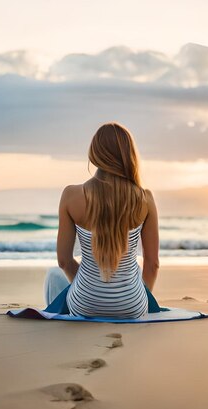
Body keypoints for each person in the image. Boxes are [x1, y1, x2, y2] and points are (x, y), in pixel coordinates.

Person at [43, 122, 160, 318]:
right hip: (133, 306)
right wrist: (138, 302)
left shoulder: (71, 195)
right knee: (135, 267)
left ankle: (62, 323)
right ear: (128, 153)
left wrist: (86, 286)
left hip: (84, 304)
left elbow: (64, 261)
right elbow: (152, 263)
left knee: (53, 274)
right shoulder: (144, 198)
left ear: (94, 154)